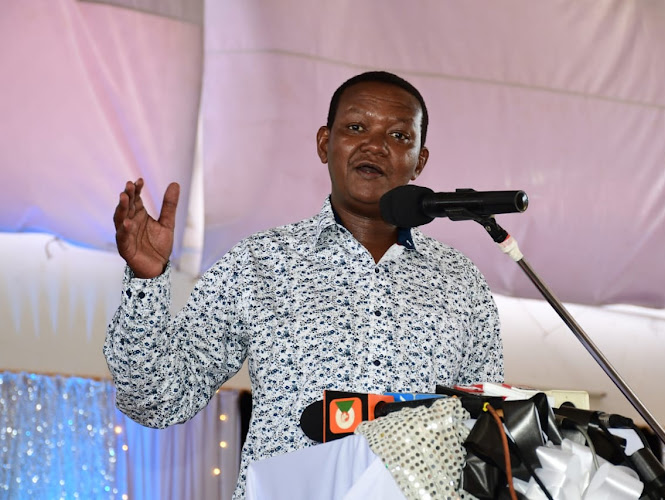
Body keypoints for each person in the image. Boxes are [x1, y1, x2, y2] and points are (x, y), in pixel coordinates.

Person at [104, 71, 504, 499]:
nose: (375, 145)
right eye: (355, 127)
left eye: (399, 135)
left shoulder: (460, 283)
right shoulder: (259, 262)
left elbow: (488, 435)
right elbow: (157, 398)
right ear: (323, 143)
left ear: (419, 161)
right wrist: (147, 280)